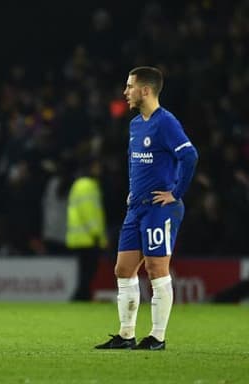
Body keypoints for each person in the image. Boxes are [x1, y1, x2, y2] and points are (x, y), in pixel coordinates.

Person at [95, 66, 198, 350]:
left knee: (155, 268)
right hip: (137, 207)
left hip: (159, 208)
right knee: (123, 269)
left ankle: (157, 336)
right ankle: (126, 335)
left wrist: (175, 193)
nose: (125, 92)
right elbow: (134, 161)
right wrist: (132, 190)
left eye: (129, 86)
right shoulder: (136, 124)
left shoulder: (166, 123)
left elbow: (190, 156)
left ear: (146, 90)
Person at [66, 156, 107, 301]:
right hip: (87, 237)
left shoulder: (82, 184)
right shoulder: (86, 185)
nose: (99, 169)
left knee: (86, 272)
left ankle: (83, 297)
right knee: (88, 272)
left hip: (82, 237)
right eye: (96, 166)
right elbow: (88, 212)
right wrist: (96, 234)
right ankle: (80, 297)